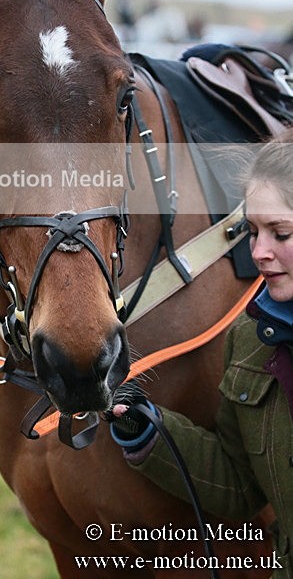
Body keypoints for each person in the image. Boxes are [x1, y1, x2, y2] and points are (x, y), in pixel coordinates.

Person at [110, 127, 293, 578]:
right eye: (252, 231)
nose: (259, 252)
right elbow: (241, 486)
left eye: (280, 233)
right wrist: (148, 429)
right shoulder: (252, 338)